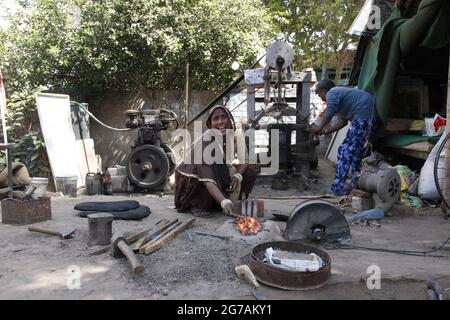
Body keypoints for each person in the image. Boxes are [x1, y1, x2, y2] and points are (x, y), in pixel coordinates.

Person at [174, 105, 256, 217]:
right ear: (210, 124)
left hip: (216, 172)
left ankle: (234, 204)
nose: (221, 122)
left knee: (249, 173)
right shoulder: (206, 142)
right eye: (216, 119)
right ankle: (196, 205)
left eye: (223, 117)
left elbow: (244, 160)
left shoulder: (236, 135)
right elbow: (207, 179)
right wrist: (224, 202)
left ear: (230, 119)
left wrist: (237, 175)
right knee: (205, 184)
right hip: (195, 179)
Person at [311, 79, 377, 196]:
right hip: (365, 116)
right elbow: (343, 122)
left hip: (362, 116)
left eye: (319, 94)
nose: (321, 97)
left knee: (345, 151)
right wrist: (327, 131)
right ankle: (355, 183)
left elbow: (329, 111)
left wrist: (319, 126)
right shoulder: (341, 97)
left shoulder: (332, 92)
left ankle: (338, 188)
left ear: (323, 91)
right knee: (355, 152)